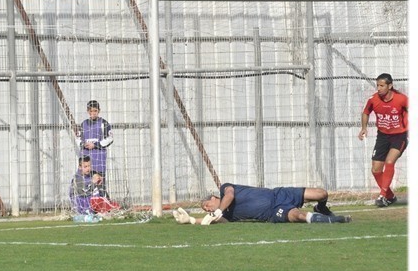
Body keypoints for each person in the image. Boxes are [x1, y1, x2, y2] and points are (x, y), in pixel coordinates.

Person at [173, 183, 351, 225]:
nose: (207, 209)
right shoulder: (225, 215)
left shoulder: (225, 189)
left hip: (279, 193)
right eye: (205, 209)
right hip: (274, 211)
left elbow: (230, 195)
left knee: (321, 193)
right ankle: (333, 221)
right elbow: (213, 220)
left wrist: (218, 210)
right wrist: (191, 220)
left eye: (206, 205)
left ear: (213, 197)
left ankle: (321, 208)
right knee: (299, 216)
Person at [358, 73, 408, 208]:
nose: (379, 88)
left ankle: (382, 195)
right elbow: (366, 112)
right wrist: (364, 128)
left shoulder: (401, 99)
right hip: (382, 136)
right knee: (376, 170)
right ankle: (390, 196)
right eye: (377, 85)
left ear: (390, 86)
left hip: (399, 136)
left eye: (382, 85)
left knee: (389, 162)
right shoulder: (373, 99)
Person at [77, 100, 113, 185]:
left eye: (95, 111)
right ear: (88, 111)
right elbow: (78, 138)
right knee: (85, 184)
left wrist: (95, 145)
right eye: (91, 111)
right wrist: (83, 144)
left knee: (99, 184)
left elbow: (110, 138)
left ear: (99, 111)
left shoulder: (104, 123)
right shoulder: (83, 124)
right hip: (86, 160)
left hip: (99, 161)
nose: (93, 113)